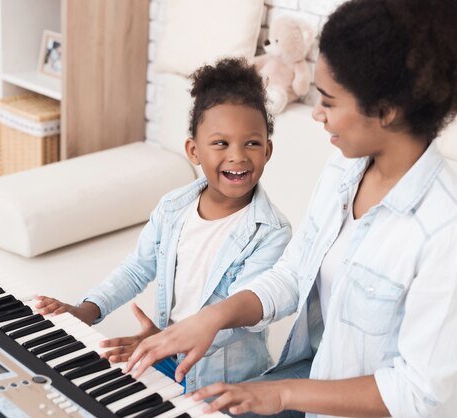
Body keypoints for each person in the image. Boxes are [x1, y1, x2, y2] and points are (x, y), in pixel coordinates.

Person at [125, 0, 457, 416]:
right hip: (310, 385)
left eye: (329, 101)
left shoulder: (451, 232)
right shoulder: (343, 170)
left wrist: (281, 395)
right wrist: (213, 317)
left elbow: (415, 393)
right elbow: (294, 274)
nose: (315, 113)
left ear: (385, 111)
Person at [35, 57, 292, 392]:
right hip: (164, 352)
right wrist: (87, 310)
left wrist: (172, 339)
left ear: (268, 150)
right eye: (221, 143)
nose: (238, 156)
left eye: (252, 143)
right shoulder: (174, 208)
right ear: (194, 150)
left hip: (228, 377)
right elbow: (137, 268)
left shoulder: (271, 232)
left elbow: (245, 316)